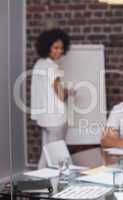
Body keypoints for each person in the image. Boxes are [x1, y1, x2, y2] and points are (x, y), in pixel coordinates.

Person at [30, 28, 71, 168]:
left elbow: (44, 90)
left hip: (44, 118)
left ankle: (39, 182)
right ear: (47, 47)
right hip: (56, 118)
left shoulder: (39, 64)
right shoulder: (53, 67)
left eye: (61, 48)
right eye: (55, 47)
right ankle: (53, 185)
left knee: (46, 153)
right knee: (56, 156)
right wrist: (68, 92)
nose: (59, 51)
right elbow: (59, 93)